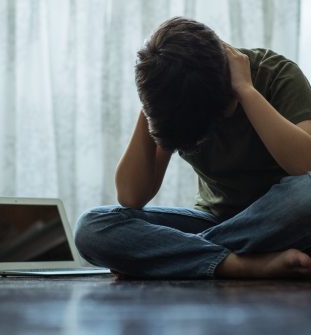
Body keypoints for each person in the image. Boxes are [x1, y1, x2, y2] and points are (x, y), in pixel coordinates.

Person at [75, 17, 311, 279]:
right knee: (92, 227)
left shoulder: (275, 73)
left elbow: (305, 165)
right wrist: (151, 104)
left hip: (283, 223)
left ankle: (177, 257)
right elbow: (132, 197)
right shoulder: (172, 99)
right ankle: (237, 265)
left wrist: (246, 90)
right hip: (216, 219)